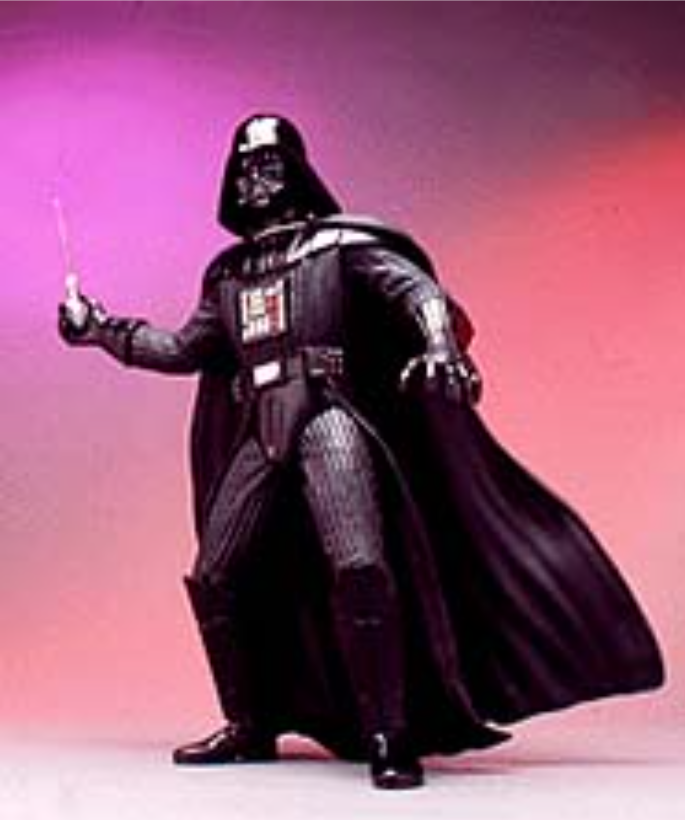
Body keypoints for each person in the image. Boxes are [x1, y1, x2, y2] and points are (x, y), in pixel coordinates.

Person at [58, 113, 664, 790]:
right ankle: (248, 724)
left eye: (269, 164)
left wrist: (438, 343)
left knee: (360, 566)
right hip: (261, 427)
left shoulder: (339, 246)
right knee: (216, 576)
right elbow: (181, 348)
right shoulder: (228, 275)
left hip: (328, 415)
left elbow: (418, 293)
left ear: (297, 172)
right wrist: (99, 329)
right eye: (244, 168)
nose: (256, 178)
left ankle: (388, 732)